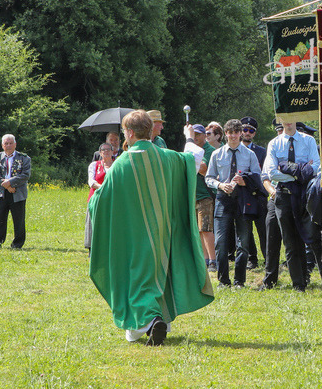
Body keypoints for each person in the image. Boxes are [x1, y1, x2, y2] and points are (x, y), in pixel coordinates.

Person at [88, 109, 213, 345]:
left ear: (131, 132)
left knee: (135, 277)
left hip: (132, 235)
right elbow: (193, 160)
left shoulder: (123, 163)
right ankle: (156, 318)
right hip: (162, 232)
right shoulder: (166, 156)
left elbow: (101, 199)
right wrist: (187, 138)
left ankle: (148, 321)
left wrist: (94, 203)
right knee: (157, 273)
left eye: (124, 130)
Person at [261, 120, 319, 292]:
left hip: (304, 196)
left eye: (290, 117)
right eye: (283, 118)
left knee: (306, 238)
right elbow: (272, 173)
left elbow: (315, 168)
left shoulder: (308, 141)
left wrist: (288, 170)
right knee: (290, 242)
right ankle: (298, 284)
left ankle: (308, 278)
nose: (287, 121)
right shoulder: (274, 143)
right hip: (283, 196)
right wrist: (300, 174)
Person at [205, 119, 261, 288]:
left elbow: (257, 177)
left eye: (237, 132)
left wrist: (244, 181)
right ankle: (223, 281)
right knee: (221, 243)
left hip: (242, 200)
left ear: (240, 134)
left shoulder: (250, 155)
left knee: (243, 243)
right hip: (223, 199)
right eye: (231, 132)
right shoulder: (217, 154)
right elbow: (208, 178)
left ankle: (239, 280)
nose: (234, 136)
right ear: (226, 134)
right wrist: (220, 185)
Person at [183, 123, 217, 271]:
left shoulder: (210, 150)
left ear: (204, 135)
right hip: (193, 195)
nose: (195, 137)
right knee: (198, 230)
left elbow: (203, 169)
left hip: (205, 195)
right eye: (193, 135)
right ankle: (205, 259)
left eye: (198, 134)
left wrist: (192, 158)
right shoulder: (192, 150)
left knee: (207, 229)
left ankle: (214, 261)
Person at [0, 133, 31, 249]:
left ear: (15, 144)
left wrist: (11, 182)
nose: (8, 145)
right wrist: (7, 186)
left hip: (18, 193)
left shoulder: (24, 158)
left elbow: (25, 175)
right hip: (2, 193)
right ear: (2, 145)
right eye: (6, 143)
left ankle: (17, 244)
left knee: (19, 220)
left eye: (10, 143)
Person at [240, 116, 268, 270]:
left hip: (258, 195)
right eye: (245, 129)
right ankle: (252, 259)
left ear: (254, 133)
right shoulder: (235, 150)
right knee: (246, 230)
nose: (247, 133)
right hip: (242, 195)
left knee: (263, 229)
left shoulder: (262, 152)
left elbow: (264, 174)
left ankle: (268, 258)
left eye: (251, 130)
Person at [85, 141, 115, 248]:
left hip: (113, 199)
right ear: (100, 153)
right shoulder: (94, 165)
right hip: (96, 199)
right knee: (94, 224)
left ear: (113, 152)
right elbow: (91, 182)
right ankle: (92, 247)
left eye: (108, 149)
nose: (106, 152)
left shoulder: (117, 165)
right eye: (103, 150)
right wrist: (104, 188)